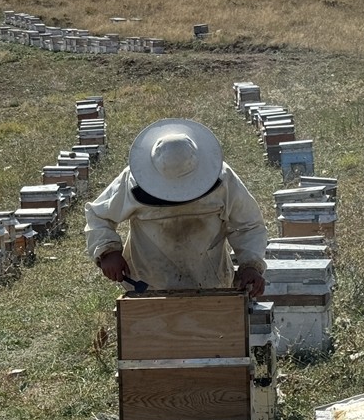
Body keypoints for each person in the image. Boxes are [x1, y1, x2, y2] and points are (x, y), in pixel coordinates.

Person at [84, 118, 267, 298]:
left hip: (211, 284)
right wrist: (108, 251)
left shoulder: (222, 177)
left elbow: (248, 224)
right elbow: (99, 216)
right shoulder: (132, 180)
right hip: (149, 284)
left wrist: (250, 265)